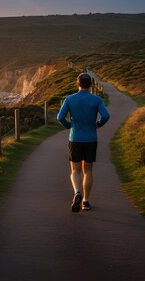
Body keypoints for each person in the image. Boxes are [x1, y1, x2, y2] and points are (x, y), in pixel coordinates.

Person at [57, 73, 110, 212]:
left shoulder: (69, 99)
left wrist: (69, 125)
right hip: (91, 139)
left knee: (75, 171)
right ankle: (85, 201)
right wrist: (98, 124)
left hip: (75, 139)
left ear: (77, 84)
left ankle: (77, 192)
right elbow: (106, 116)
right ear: (91, 84)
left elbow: (60, 117)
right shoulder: (96, 99)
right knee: (88, 171)